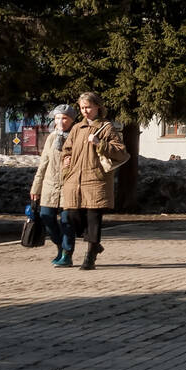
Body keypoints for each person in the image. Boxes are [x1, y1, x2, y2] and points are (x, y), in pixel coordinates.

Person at [58, 91, 128, 270]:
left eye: (88, 107)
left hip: (96, 179)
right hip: (74, 179)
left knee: (93, 218)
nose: (85, 111)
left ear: (98, 107)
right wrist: (66, 160)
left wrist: (100, 143)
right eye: (82, 108)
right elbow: (67, 149)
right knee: (73, 215)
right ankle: (95, 243)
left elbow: (121, 151)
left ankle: (90, 256)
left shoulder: (106, 127)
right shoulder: (76, 128)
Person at [30, 104, 76, 261]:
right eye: (58, 118)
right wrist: (36, 187)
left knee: (66, 221)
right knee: (46, 216)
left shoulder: (76, 137)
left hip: (69, 186)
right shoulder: (51, 138)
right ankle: (60, 245)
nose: (61, 121)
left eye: (65, 118)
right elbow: (43, 163)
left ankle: (66, 254)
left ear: (71, 120)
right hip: (50, 185)